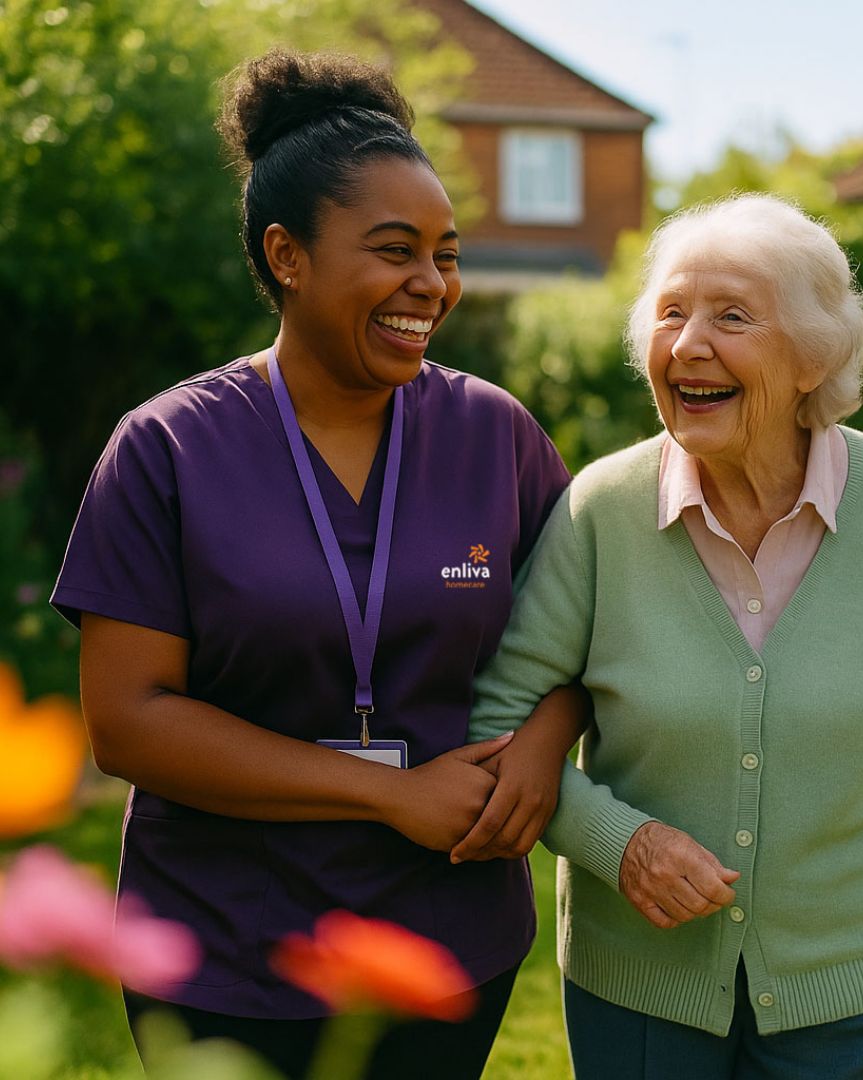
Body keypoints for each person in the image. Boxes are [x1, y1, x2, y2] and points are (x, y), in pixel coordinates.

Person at [51, 49, 582, 1080]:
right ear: (287, 255)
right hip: (224, 948)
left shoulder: (495, 435)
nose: (429, 286)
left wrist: (541, 748)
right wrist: (385, 793)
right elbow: (128, 721)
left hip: (446, 941)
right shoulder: (166, 448)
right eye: (394, 251)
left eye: (445, 253)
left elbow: (585, 635)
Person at [459, 195, 863, 1080]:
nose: (688, 344)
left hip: (846, 988)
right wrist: (617, 842)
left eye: (733, 316)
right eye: (670, 312)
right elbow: (498, 729)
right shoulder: (602, 510)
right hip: (635, 987)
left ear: (811, 357)